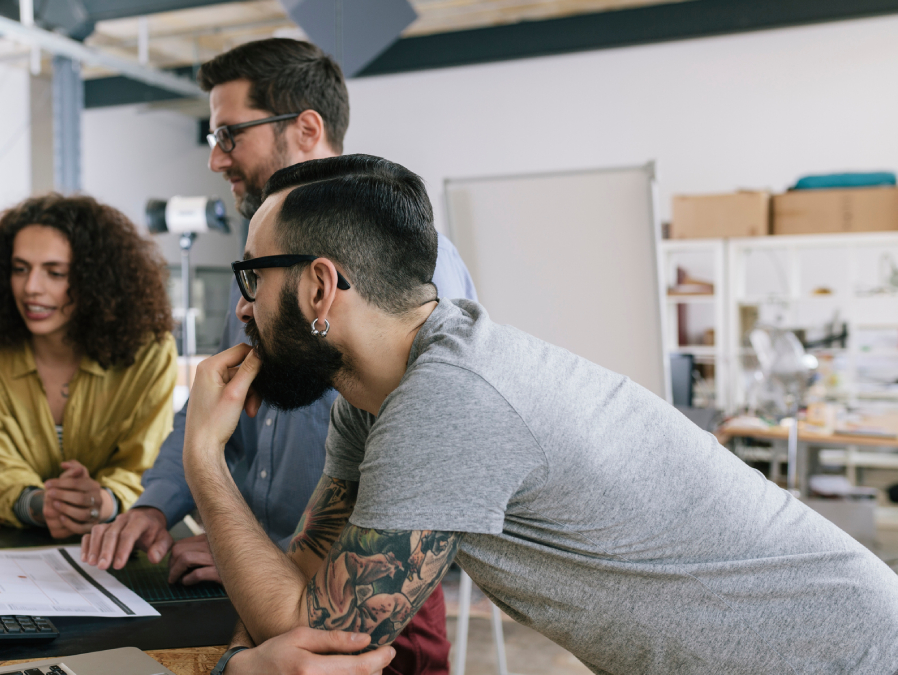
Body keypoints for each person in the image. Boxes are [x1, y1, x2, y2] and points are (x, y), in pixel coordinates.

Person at [89, 154, 898, 674]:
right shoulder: (376, 401)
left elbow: (319, 626)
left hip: (839, 653)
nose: (241, 307)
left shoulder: (450, 397)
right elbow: (302, 589)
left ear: (319, 288)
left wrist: (205, 463)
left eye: (251, 278)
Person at [84, 38, 471, 675]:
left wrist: (264, 554)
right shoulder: (268, 258)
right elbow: (226, 389)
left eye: (229, 134)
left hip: (364, 597)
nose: (215, 159)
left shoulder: (413, 266)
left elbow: (417, 476)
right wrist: (160, 503)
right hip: (259, 582)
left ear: (307, 128)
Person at [0, 193, 177, 538]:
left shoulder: (150, 352)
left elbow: (144, 465)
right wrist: (42, 505)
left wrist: (102, 502)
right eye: (20, 269)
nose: (31, 288)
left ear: (95, 280)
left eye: (55, 272)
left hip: (123, 537)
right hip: (14, 544)